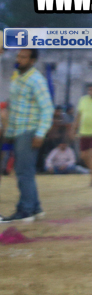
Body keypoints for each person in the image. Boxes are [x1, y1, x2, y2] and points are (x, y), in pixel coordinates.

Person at [1, 49, 53, 223]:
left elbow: (47, 109)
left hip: (29, 131)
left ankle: (25, 210)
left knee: (23, 172)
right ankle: (35, 208)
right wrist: (9, 132)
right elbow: (15, 105)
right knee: (25, 171)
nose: (19, 59)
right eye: (18, 56)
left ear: (32, 61)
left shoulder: (36, 80)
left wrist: (40, 134)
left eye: (23, 57)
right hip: (18, 131)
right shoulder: (17, 75)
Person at [73, 84, 92, 186]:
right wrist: (74, 128)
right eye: (90, 90)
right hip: (84, 132)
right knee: (83, 155)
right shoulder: (83, 100)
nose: (91, 92)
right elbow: (79, 115)